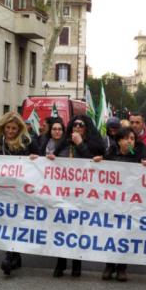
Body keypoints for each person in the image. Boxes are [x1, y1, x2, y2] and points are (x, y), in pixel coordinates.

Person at [40, 114, 104, 278]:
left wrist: (80, 144)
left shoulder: (93, 144)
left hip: (83, 193)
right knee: (62, 227)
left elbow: (93, 162)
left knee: (78, 229)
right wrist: (50, 159)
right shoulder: (64, 143)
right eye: (75, 125)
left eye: (81, 125)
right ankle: (60, 263)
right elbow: (52, 161)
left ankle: (76, 264)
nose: (77, 127)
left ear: (87, 128)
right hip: (63, 193)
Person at [0, 111, 35, 276]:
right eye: (8, 128)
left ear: (19, 129)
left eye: (14, 128)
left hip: (20, 190)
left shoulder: (27, 142)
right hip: (1, 190)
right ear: (3, 127)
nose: (10, 131)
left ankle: (10, 257)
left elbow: (39, 159)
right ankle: (13, 256)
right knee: (6, 222)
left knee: (15, 222)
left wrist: (35, 158)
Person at [93, 126, 146, 282]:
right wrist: (99, 162)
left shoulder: (139, 154)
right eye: (126, 138)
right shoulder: (111, 153)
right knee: (111, 232)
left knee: (126, 233)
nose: (129, 141)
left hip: (130, 201)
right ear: (118, 141)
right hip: (113, 201)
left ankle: (122, 268)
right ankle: (109, 266)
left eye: (132, 138)